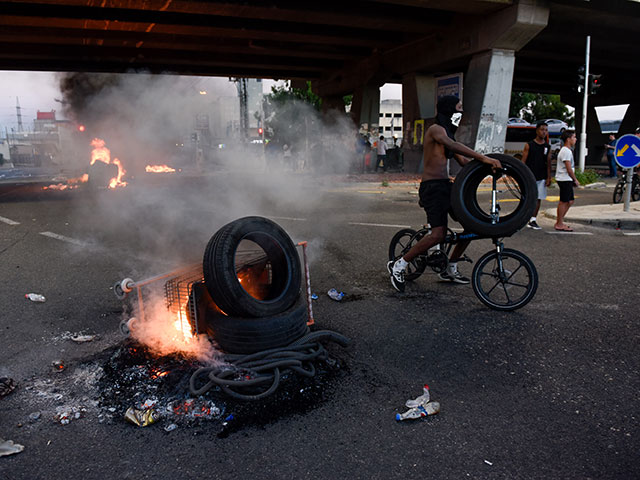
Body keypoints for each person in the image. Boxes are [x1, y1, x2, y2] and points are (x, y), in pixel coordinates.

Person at [387, 95, 502, 292]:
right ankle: (399, 265)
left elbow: (464, 163)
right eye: (458, 107)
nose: (460, 112)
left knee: (472, 226)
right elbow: (454, 146)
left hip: (446, 187)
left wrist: (490, 169)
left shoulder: (448, 134)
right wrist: (484, 158)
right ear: (449, 109)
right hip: (432, 188)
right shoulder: (436, 130)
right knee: (438, 234)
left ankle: (451, 267)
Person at [521, 121, 552, 230]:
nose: (544, 132)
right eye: (542, 129)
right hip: (529, 176)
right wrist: (521, 175)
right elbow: (523, 162)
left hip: (541, 176)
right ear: (537, 130)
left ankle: (533, 219)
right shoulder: (529, 145)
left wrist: (549, 177)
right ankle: (522, 218)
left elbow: (548, 162)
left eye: (546, 130)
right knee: (527, 198)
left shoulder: (547, 146)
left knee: (538, 198)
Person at [554, 129, 579, 232]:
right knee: (564, 201)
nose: (576, 139)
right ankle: (559, 223)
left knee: (570, 201)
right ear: (568, 139)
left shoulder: (567, 151)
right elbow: (568, 168)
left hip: (566, 179)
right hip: (564, 179)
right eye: (574, 137)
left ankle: (560, 221)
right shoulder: (565, 151)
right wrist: (575, 180)